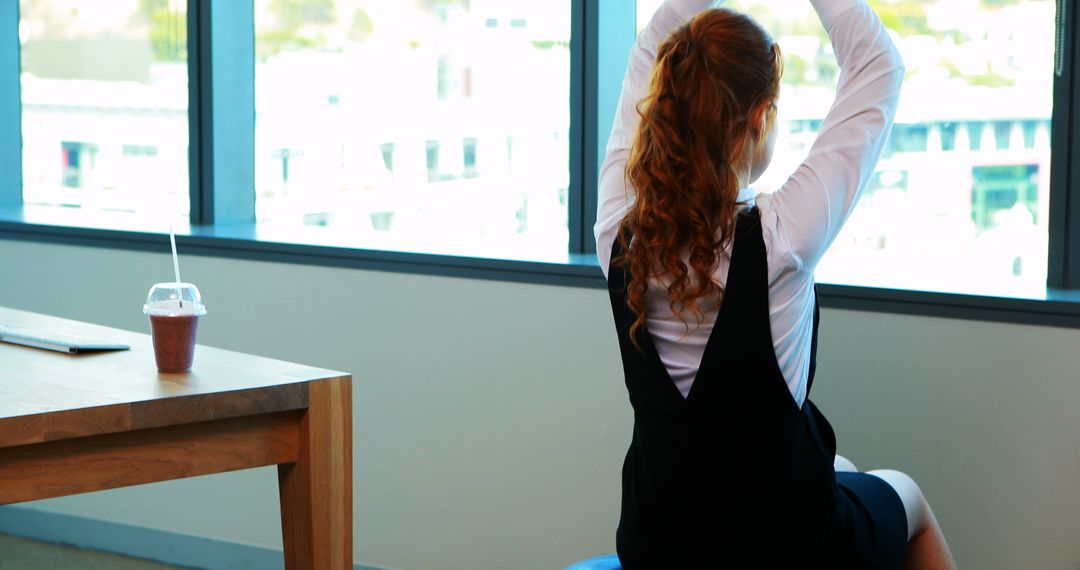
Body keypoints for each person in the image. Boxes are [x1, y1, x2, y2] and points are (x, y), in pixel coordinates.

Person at [595, 0, 956, 567]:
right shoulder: (782, 240)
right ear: (761, 117)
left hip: (658, 543)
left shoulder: (619, 227)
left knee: (843, 468)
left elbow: (650, 47)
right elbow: (879, 66)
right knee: (906, 495)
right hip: (782, 547)